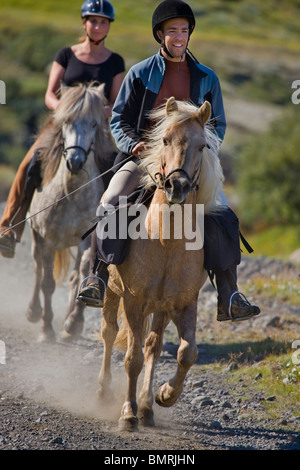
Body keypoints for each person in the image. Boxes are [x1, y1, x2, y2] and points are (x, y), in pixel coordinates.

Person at [77, 0, 260, 322]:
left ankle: (229, 293)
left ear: (190, 34)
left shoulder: (207, 77)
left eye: (184, 30)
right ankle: (98, 276)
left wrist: (201, 153)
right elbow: (118, 119)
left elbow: (217, 124)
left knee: (222, 212)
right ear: (160, 34)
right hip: (144, 156)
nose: (179, 36)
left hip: (190, 162)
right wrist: (133, 145)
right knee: (112, 200)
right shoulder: (140, 72)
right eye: (172, 30)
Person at [0, 0, 125, 259]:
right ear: (84, 23)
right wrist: (65, 109)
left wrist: (106, 111)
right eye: (94, 21)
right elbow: (49, 95)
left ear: (108, 26)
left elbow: (115, 101)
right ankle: (8, 227)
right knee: (29, 163)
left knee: (116, 171)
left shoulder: (115, 61)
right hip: (61, 126)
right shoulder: (66, 55)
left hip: (95, 131)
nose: (98, 26)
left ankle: (115, 242)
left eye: (103, 22)